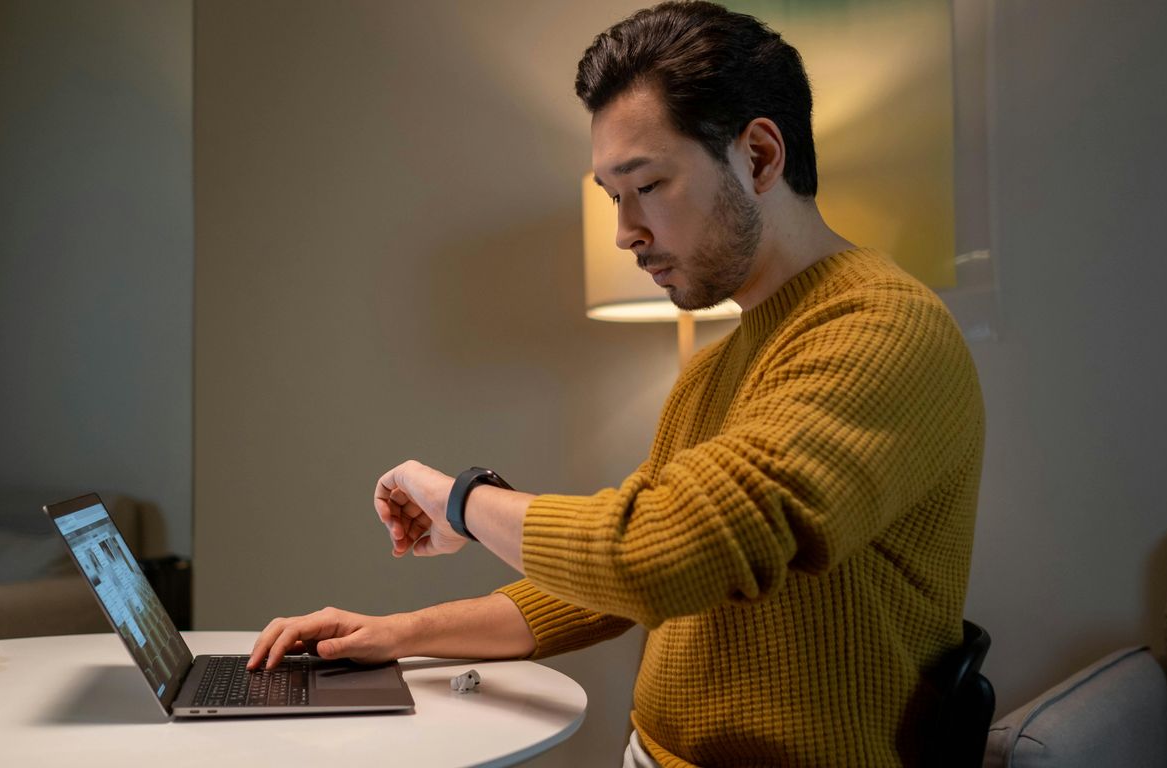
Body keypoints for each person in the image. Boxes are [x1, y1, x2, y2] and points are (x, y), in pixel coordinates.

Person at [248, 2, 984, 766]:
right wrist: (397, 635)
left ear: (760, 158)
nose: (625, 231)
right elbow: (608, 581)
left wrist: (462, 500)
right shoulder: (716, 368)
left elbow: (654, 556)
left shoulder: (882, 330)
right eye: (612, 195)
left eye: (648, 185)